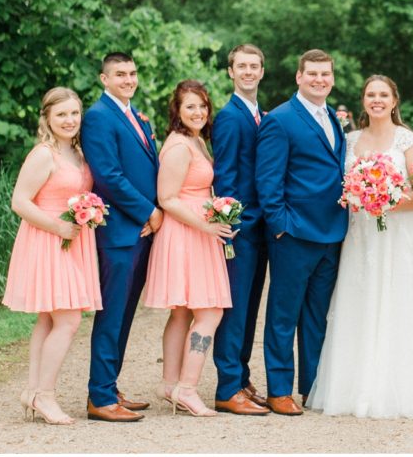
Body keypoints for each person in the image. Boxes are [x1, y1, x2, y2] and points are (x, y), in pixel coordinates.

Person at [307, 75, 413, 418]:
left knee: (398, 301)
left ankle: (402, 385)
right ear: (363, 100)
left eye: (384, 94)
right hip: (362, 235)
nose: (377, 100)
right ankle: (355, 383)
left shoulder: (408, 140)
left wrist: (385, 201)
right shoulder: (350, 139)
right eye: (371, 94)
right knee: (361, 299)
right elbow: (342, 187)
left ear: (394, 99)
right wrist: (362, 196)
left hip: (400, 233)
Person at [255, 49, 348, 416]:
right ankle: (279, 389)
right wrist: (280, 228)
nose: (319, 79)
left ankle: (311, 387)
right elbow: (268, 181)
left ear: (332, 78)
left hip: (331, 234)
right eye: (312, 73)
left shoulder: (332, 118)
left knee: (315, 317)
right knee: (283, 315)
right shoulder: (280, 120)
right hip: (294, 235)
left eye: (325, 74)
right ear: (298, 77)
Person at [3, 87, 102, 425]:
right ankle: (46, 396)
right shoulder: (43, 154)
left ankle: (33, 391)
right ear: (47, 118)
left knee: (48, 318)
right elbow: (20, 202)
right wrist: (58, 228)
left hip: (73, 240)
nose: (69, 120)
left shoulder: (77, 152)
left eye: (74, 114)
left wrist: (91, 212)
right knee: (69, 319)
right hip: (48, 239)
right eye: (61, 115)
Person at [143, 80, 234, 417]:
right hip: (187, 234)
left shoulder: (196, 141)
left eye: (202, 106)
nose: (198, 112)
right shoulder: (180, 146)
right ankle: (188, 388)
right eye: (190, 107)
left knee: (182, 311)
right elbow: (167, 198)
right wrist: (207, 225)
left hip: (196, 230)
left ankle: (170, 384)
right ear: (177, 111)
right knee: (210, 312)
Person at [81, 52, 162, 422]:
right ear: (104, 79)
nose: (128, 79)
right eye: (119, 74)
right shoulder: (98, 117)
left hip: (141, 231)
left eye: (132, 73)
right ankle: (99, 397)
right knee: (112, 313)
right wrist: (148, 211)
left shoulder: (135, 115)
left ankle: (110, 386)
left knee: (126, 314)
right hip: (119, 232)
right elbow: (109, 176)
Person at [211, 45, 271, 415]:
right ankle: (227, 387)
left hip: (261, 227)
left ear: (262, 71)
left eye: (254, 66)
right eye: (241, 66)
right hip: (241, 229)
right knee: (234, 310)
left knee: (249, 309)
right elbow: (226, 175)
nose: (248, 71)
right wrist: (235, 222)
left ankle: (242, 378)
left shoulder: (262, 115)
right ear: (231, 72)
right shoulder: (230, 117)